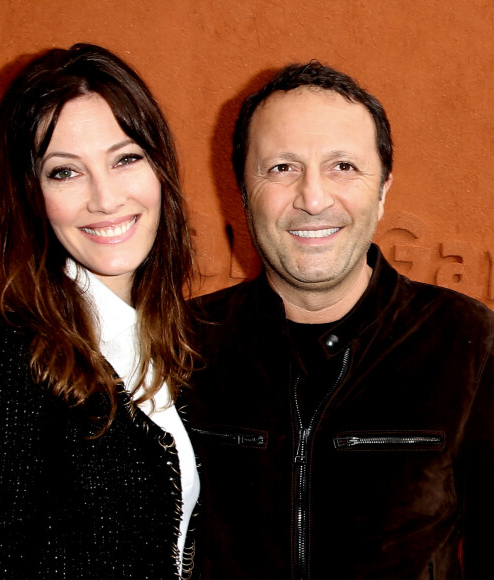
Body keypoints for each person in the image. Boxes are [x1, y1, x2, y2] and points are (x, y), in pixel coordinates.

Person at [183, 61, 494, 579]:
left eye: (343, 166)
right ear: (241, 188)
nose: (313, 198)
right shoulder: (183, 343)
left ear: (383, 187)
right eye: (281, 167)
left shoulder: (469, 344)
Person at [0, 43, 199, 579]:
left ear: (160, 168)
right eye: (64, 172)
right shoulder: (3, 356)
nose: (104, 198)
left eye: (126, 159)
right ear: (31, 192)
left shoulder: (178, 336)